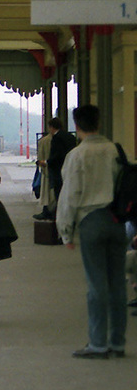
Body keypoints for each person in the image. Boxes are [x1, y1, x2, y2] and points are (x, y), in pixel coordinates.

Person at [56, 104, 127, 359]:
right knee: (118, 283)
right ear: (99, 122)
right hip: (117, 220)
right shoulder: (114, 150)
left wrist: (65, 231)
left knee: (96, 285)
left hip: (92, 222)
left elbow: (70, 196)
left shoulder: (77, 155)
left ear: (77, 126)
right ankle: (117, 342)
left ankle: (98, 344)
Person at [43, 117, 76, 216]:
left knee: (59, 194)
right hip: (70, 169)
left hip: (58, 170)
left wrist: (46, 162)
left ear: (52, 127)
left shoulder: (56, 138)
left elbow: (56, 155)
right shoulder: (71, 137)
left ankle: (57, 214)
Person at [33, 127, 54, 219]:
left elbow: (40, 157)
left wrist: (40, 163)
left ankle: (46, 211)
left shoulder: (43, 141)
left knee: (46, 193)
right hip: (58, 170)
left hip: (46, 170)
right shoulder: (66, 139)